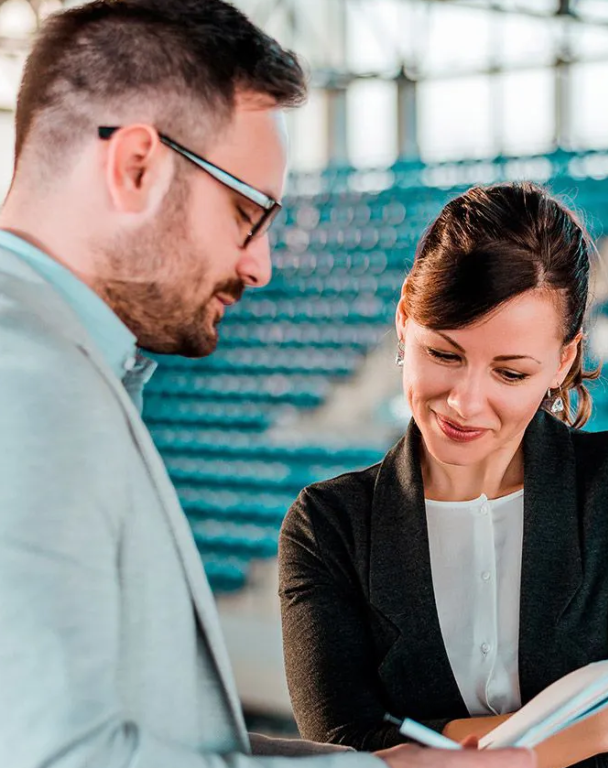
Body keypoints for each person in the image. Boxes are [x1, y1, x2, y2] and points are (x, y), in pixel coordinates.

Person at [0, 2, 534, 768]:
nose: (261, 265)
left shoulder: (53, 358)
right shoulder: (28, 381)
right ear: (136, 166)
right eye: (247, 213)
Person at [279, 182, 608, 768]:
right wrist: (596, 732)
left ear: (563, 359)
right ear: (403, 323)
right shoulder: (329, 526)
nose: (465, 403)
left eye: (510, 373)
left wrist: (430, 740)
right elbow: (346, 747)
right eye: (443, 355)